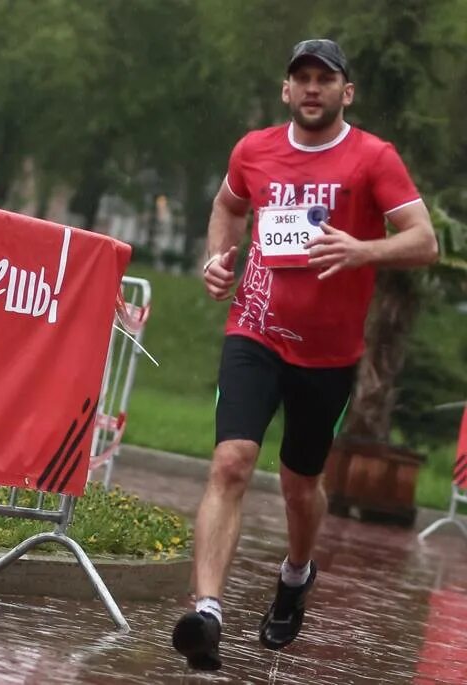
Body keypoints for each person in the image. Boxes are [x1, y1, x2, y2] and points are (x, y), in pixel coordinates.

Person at [171, 38, 439, 671]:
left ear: (346, 93)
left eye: (326, 79)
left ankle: (295, 574)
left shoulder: (374, 157)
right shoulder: (254, 149)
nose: (312, 88)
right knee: (231, 462)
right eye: (302, 78)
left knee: (300, 485)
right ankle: (206, 610)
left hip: (328, 355)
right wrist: (216, 259)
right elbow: (228, 204)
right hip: (255, 330)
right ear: (286, 91)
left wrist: (362, 250)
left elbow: (423, 240)